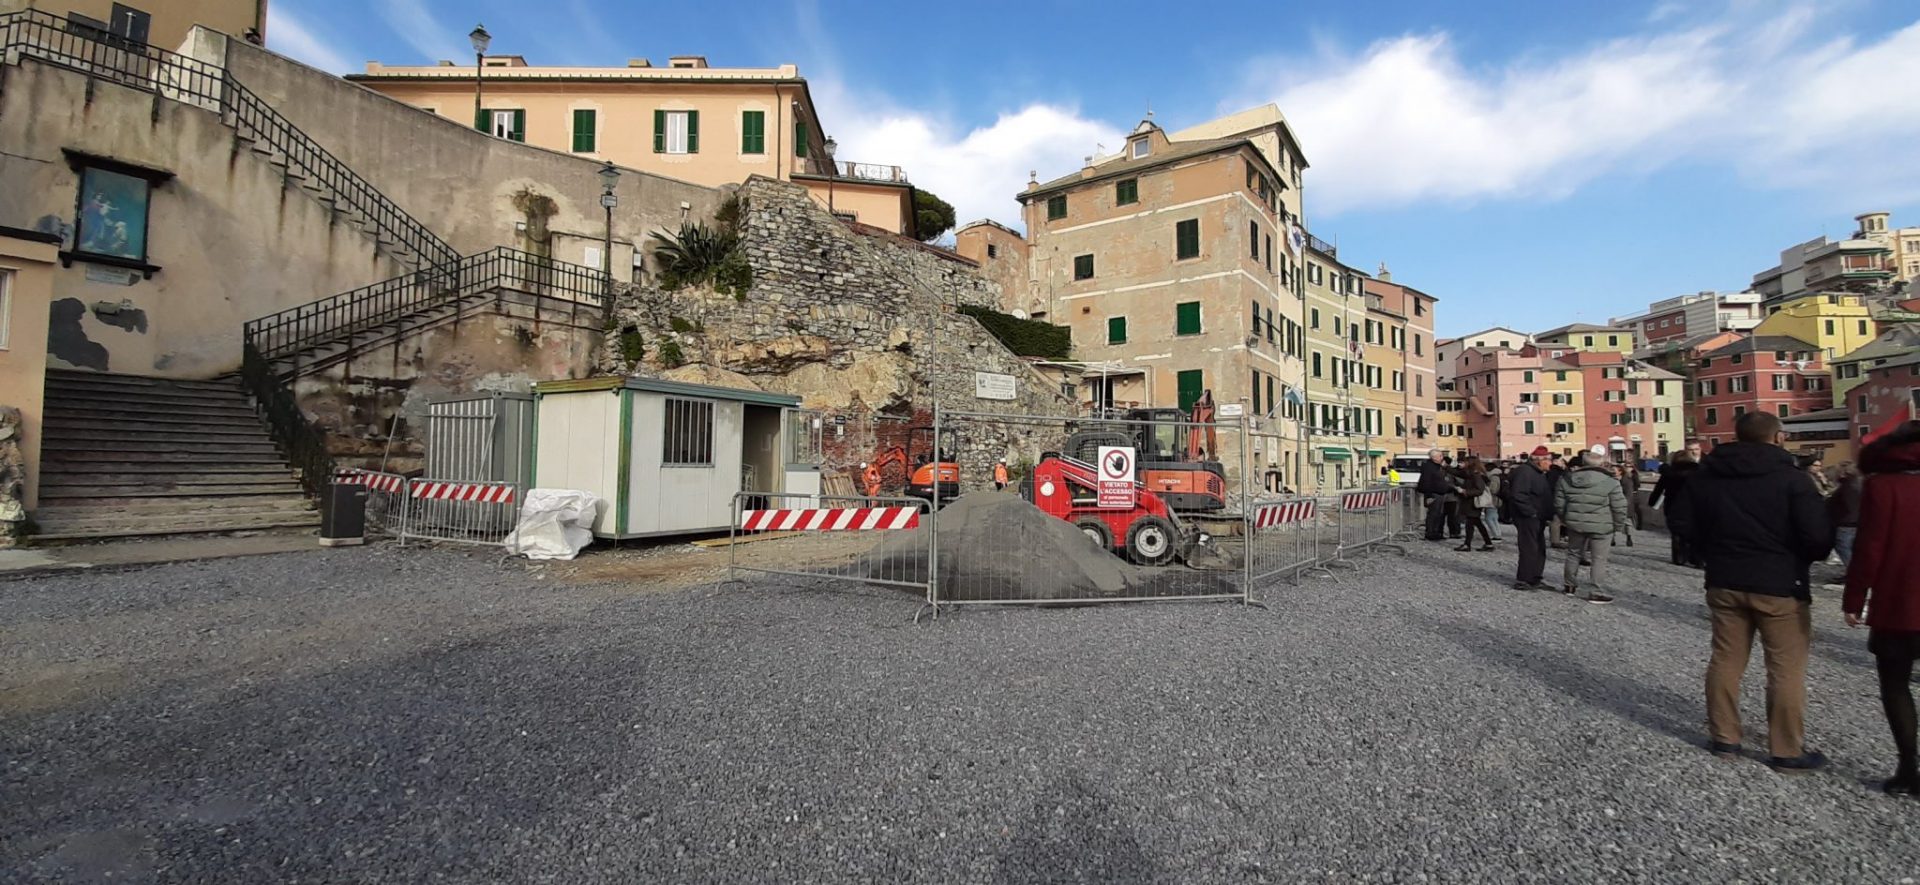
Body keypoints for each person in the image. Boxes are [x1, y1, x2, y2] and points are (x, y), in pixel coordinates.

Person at [1688, 412, 1834, 772]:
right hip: (1780, 584)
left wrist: (1711, 552)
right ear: (1778, 437)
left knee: (1725, 659)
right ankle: (1785, 750)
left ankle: (1725, 737)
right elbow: (1817, 540)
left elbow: (1684, 524)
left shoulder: (1708, 476)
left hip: (1724, 579)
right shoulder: (1793, 480)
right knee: (1785, 668)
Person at [1842, 420, 1920, 795]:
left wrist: (1854, 599)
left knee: (1896, 685)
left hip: (1899, 604)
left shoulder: (1883, 486)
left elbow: (1870, 548)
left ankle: (1909, 770)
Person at [1554, 451, 1627, 604]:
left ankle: (1569, 586)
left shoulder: (1566, 480)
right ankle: (1596, 591)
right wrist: (1619, 526)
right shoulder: (1610, 482)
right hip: (1602, 525)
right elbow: (1619, 507)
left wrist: (1565, 519)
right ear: (1601, 464)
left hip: (1575, 523)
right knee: (1598, 559)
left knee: (1573, 554)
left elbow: (1559, 504)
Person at [1503, 446, 1555, 590]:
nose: (1551, 463)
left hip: (1538, 517)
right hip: (1528, 517)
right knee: (1529, 547)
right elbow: (1518, 495)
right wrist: (1530, 512)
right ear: (1539, 460)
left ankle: (1535, 577)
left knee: (1538, 548)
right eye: (1549, 460)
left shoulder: (1538, 473)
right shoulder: (1525, 472)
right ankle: (1524, 579)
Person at [1650, 451, 1702, 568]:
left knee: (1677, 532)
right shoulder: (1698, 472)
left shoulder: (1668, 473)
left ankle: (1679, 557)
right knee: (1696, 532)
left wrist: (1652, 502)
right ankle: (1696, 558)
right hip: (1695, 506)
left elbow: (1658, 490)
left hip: (1673, 506)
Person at [1454, 458, 1495, 552]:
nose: (1460, 464)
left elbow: (1479, 490)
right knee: (1476, 523)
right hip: (1471, 503)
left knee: (1471, 524)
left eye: (1463, 462)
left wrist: (1465, 491)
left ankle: (1467, 544)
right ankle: (1487, 544)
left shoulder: (1475, 475)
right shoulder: (1470, 474)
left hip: (1473, 503)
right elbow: (1457, 473)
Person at [1827, 461, 1862, 568]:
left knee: (1844, 548)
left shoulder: (1847, 486)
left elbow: (1848, 505)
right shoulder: (1856, 484)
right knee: (1850, 548)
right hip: (1854, 522)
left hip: (1846, 523)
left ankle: (1853, 571)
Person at [1416, 448, 1455, 542]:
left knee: (1438, 514)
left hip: (1440, 493)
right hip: (1434, 493)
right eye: (1440, 456)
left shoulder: (1437, 466)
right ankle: (1431, 533)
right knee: (1433, 514)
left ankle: (1436, 532)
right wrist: (1429, 495)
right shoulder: (1429, 467)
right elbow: (1426, 482)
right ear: (1434, 457)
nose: (1442, 458)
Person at [1547, 454, 1570, 549]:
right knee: (1556, 520)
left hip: (1552, 498)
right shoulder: (1558, 473)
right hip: (1557, 498)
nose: (1562, 462)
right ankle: (1556, 540)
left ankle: (1556, 538)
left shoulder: (1549, 472)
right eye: (1561, 460)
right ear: (1555, 461)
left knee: (1555, 520)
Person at [1481, 467, 1503, 542]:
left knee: (1489, 518)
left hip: (1492, 500)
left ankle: (1496, 535)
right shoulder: (1498, 476)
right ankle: (1498, 534)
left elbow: (1493, 489)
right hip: (1497, 500)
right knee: (1494, 517)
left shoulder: (1493, 477)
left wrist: (1486, 488)